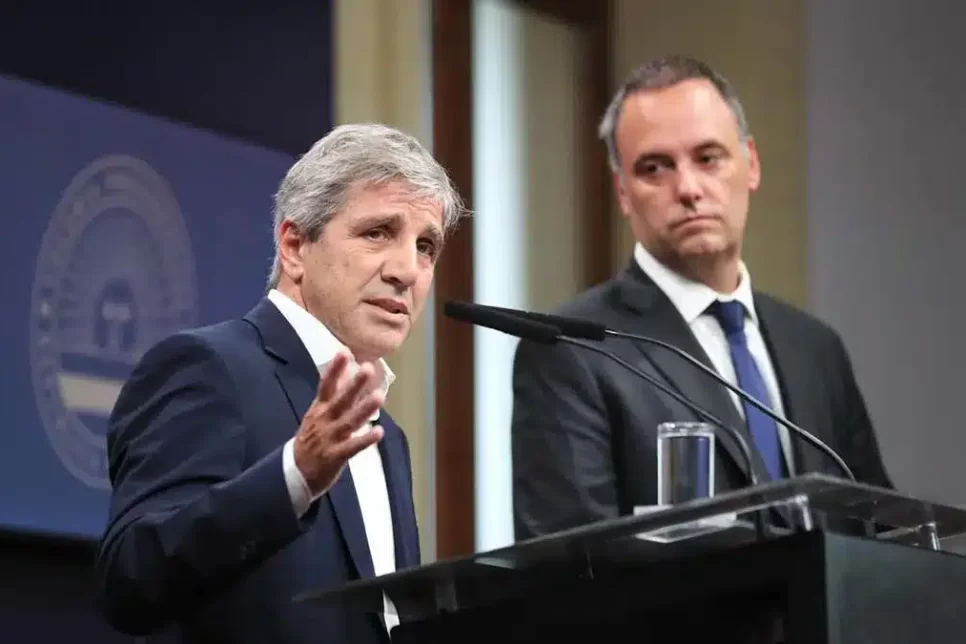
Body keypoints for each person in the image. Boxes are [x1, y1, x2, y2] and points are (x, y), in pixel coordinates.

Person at [94, 123, 466, 643]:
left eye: (426, 246)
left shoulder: (388, 437)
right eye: (378, 232)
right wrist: (295, 476)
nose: (407, 270)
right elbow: (131, 577)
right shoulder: (207, 368)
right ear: (294, 246)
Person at [510, 55, 892, 540]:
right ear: (623, 191)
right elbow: (572, 564)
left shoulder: (816, 347)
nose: (688, 188)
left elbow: (881, 530)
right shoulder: (571, 350)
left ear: (751, 164)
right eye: (655, 168)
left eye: (708, 158)